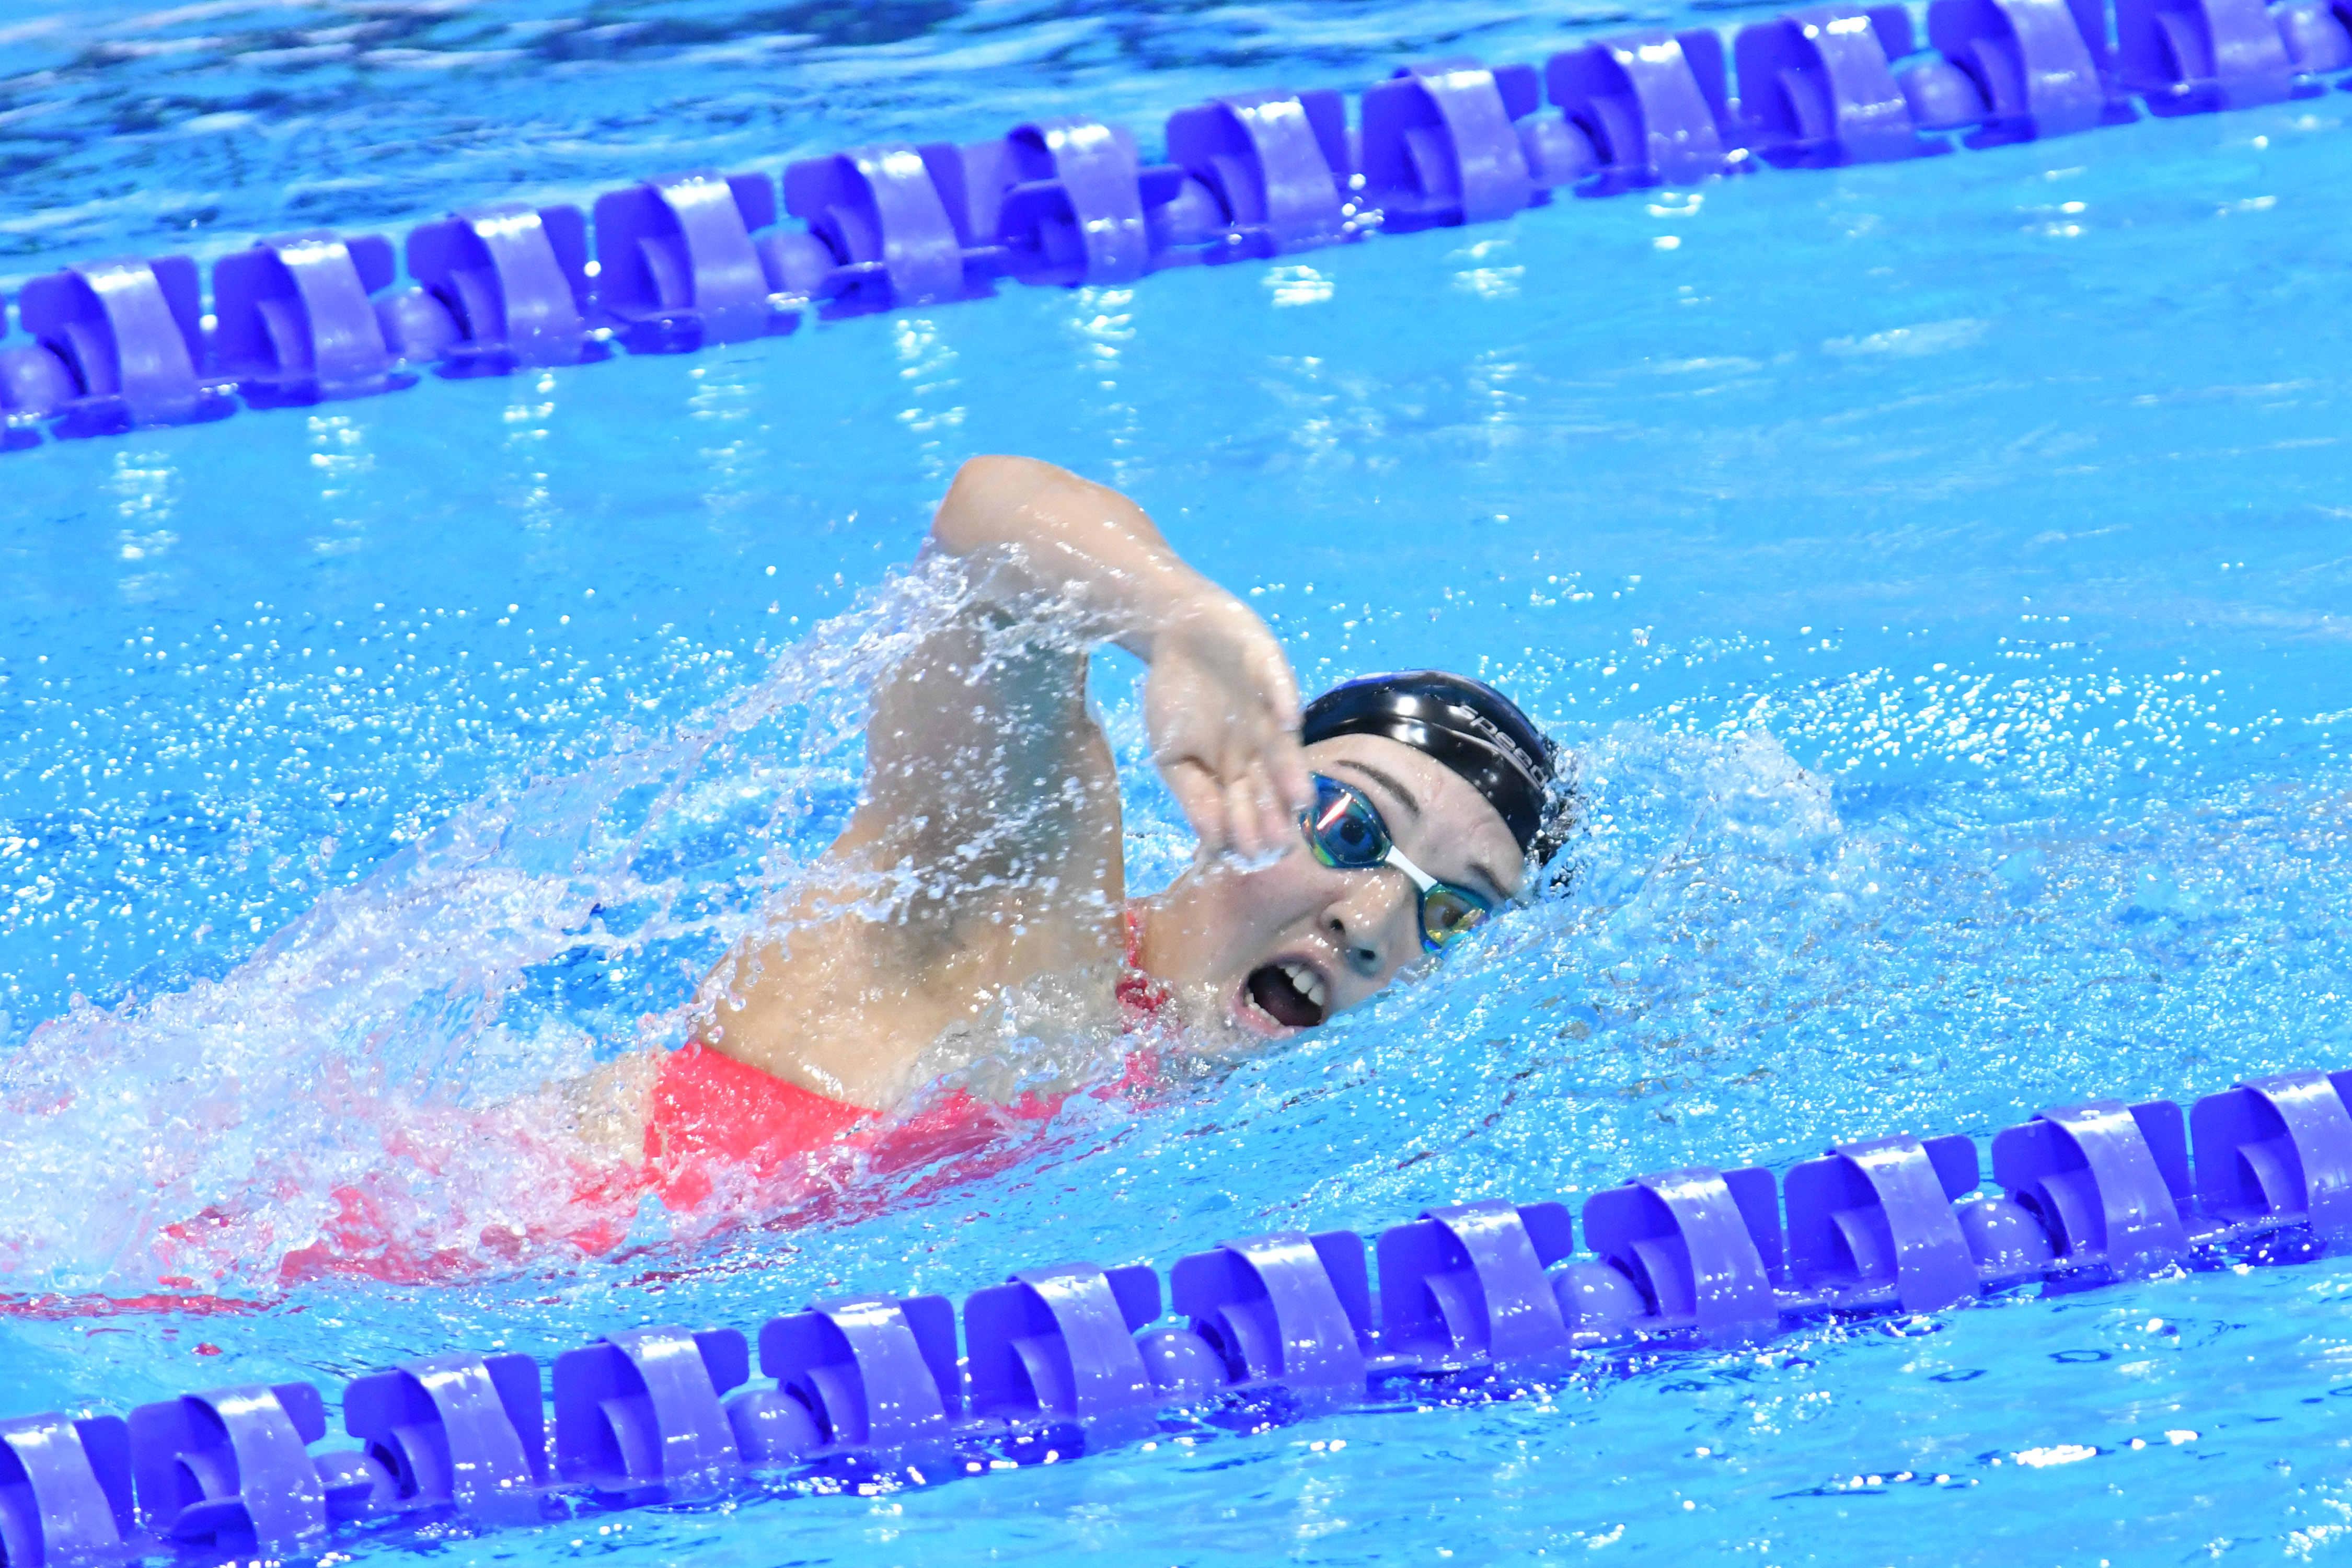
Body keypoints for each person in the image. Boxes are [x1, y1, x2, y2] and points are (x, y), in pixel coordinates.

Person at [562, 455, 1574, 1208]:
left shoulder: (1201, 1109)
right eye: (1351, 831)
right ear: (1244, 785)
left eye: (1452, 910)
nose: (1371, 920)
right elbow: (986, 525)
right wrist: (1177, 618)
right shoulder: (1013, 924)